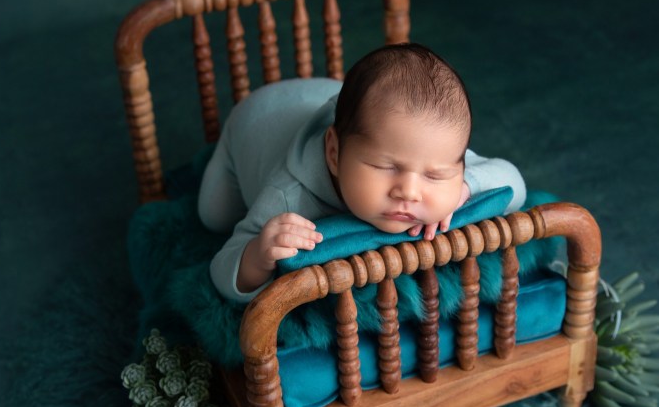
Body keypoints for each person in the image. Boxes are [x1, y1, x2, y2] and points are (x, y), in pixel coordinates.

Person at [199, 43, 526, 303]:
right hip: (256, 117)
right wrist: (257, 254)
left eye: (435, 176)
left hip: (338, 102)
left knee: (372, 116)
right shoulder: (289, 194)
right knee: (213, 216)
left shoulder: (423, 143)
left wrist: (465, 187)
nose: (410, 192)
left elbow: (515, 184)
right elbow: (221, 271)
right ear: (334, 154)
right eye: (386, 167)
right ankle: (224, 153)